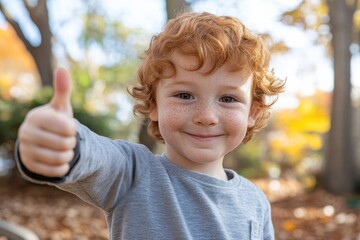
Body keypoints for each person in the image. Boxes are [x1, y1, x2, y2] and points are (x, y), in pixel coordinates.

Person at [15, 12, 285, 239]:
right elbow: (94, 156)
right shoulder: (132, 173)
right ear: (153, 104)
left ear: (252, 111)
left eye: (228, 98)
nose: (206, 116)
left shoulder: (256, 203)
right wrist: (61, 141)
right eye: (184, 95)